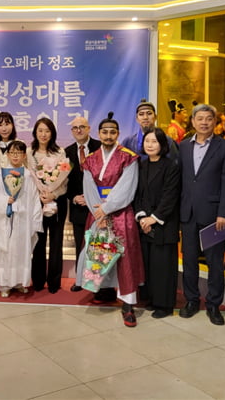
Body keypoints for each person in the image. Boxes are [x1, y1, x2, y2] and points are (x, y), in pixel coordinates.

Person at [75, 112, 144, 327]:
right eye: (104, 132)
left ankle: (128, 304)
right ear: (98, 133)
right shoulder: (91, 159)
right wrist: (99, 213)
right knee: (99, 252)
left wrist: (106, 209)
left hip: (120, 214)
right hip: (97, 213)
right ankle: (104, 291)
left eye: (112, 132)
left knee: (125, 258)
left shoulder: (128, 157)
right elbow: (88, 187)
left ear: (118, 134)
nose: (108, 135)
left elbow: (127, 188)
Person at [178, 103, 225, 326]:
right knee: (189, 260)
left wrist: (224, 212)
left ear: (215, 122)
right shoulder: (182, 146)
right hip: (188, 214)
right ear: (192, 122)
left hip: (213, 216)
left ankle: (213, 305)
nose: (204, 122)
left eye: (208, 119)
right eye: (199, 118)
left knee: (214, 262)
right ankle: (191, 300)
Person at [0, 140, 43, 297]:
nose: (15, 156)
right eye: (12, 152)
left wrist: (35, 220)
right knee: (5, 251)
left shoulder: (29, 176)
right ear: (8, 154)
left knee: (21, 250)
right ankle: (4, 284)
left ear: (24, 155)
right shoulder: (0, 174)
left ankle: (19, 282)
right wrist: (5, 202)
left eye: (19, 153)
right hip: (4, 219)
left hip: (23, 220)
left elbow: (34, 199)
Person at [134, 127, 180, 318]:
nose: (150, 145)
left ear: (162, 145)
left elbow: (171, 196)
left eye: (154, 142)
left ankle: (165, 304)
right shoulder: (141, 165)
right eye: (147, 141)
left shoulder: (171, 166)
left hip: (164, 223)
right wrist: (142, 216)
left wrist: (154, 218)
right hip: (145, 224)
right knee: (150, 265)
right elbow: (137, 194)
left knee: (163, 266)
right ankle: (152, 299)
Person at [27, 117, 71, 294]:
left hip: (57, 201)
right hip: (37, 201)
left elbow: (64, 178)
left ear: (52, 133)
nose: (43, 134)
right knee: (38, 241)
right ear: (35, 133)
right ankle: (37, 281)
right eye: (40, 131)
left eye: (47, 131)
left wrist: (53, 193)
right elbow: (30, 177)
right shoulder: (29, 153)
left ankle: (54, 282)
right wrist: (41, 193)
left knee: (56, 241)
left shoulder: (60, 152)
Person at [65, 115, 101, 291]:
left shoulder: (100, 148)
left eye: (82, 127)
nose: (78, 130)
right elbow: (64, 182)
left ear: (89, 129)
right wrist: (74, 197)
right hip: (78, 207)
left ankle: (98, 281)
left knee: (98, 245)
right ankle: (80, 280)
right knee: (81, 244)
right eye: (75, 128)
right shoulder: (67, 152)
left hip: (98, 207)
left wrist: (92, 197)